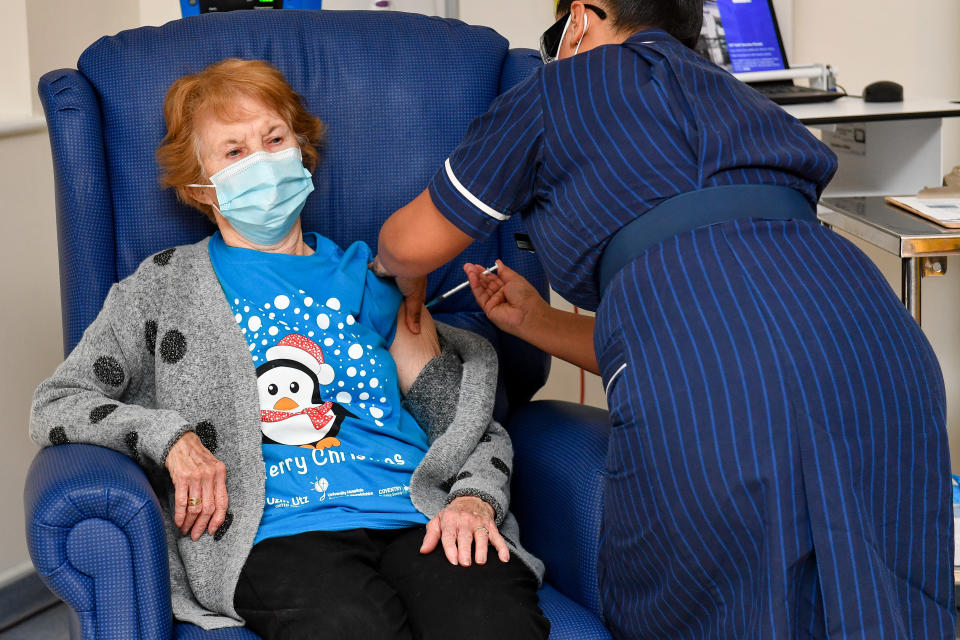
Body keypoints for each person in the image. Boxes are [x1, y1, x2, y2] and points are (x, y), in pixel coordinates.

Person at [372, 1, 956, 638]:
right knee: (886, 602)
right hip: (873, 336)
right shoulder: (741, 98)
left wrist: (386, 270)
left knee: (717, 605)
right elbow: (730, 320)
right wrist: (537, 323)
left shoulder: (558, 88)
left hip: (712, 363)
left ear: (582, 17)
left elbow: (411, 245)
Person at [30, 58, 548, 640]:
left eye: (274, 139)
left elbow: (462, 422)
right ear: (200, 187)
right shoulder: (163, 288)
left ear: (301, 148)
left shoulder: (371, 279)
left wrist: (475, 497)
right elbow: (58, 402)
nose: (262, 161)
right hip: (276, 531)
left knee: (494, 622)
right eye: (233, 152)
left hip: (414, 512)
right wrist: (169, 438)